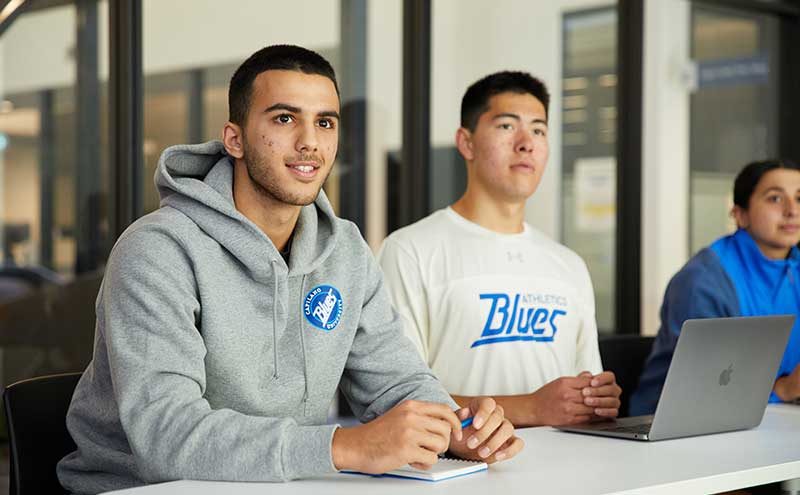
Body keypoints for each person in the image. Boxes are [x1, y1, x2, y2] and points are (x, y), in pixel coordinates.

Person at [57, 45, 522, 494]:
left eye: (325, 122)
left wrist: (454, 427)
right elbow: (166, 436)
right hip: (144, 489)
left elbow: (397, 380)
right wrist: (343, 445)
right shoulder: (157, 251)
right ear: (234, 138)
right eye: (284, 118)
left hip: (284, 484)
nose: (309, 142)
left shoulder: (345, 250)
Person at [378, 71, 621, 428]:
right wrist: (532, 408)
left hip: (567, 474)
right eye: (507, 127)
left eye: (538, 130)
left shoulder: (568, 265)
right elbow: (398, 399)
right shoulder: (410, 250)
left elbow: (584, 390)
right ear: (466, 142)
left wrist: (595, 399)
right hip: (460, 475)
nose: (526, 143)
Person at [630, 159, 800, 416]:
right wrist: (785, 389)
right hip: (675, 428)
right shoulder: (704, 280)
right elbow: (705, 389)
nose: (792, 211)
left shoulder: (794, 266)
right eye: (775, 199)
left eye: (799, 198)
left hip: (772, 420)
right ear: (739, 214)